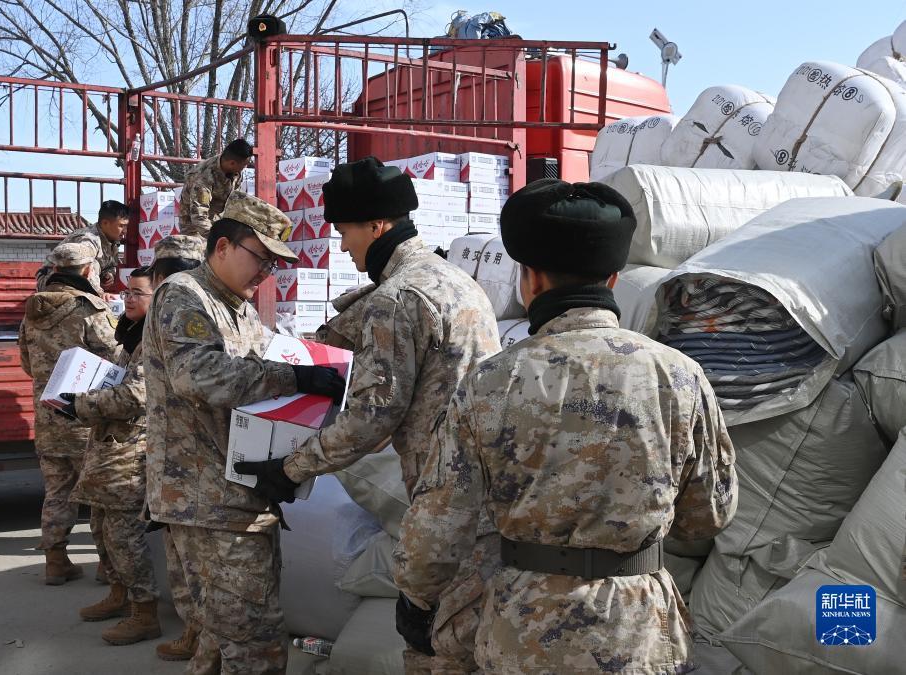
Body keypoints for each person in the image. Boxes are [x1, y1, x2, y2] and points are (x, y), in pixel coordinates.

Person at [393, 179, 739, 674]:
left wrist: (417, 597)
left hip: (524, 632)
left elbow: (438, 527)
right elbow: (707, 516)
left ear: (531, 280)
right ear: (613, 279)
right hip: (636, 632)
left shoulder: (491, 382)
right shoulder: (679, 376)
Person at [233, 156, 501, 674]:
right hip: (484, 491)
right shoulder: (454, 280)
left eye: (344, 232)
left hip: (442, 500)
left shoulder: (397, 298)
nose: (342, 246)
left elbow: (371, 419)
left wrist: (290, 468)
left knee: (435, 646)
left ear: (377, 225)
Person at [142, 192, 345, 674]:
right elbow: (199, 375)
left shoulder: (237, 306)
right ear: (223, 246)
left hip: (234, 491)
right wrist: (292, 377)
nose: (266, 273)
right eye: (261, 258)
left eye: (273, 265)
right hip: (207, 497)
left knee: (222, 635)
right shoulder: (185, 296)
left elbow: (261, 366)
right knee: (253, 638)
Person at [58, 265, 161, 645]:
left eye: (138, 293)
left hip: (133, 453)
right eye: (126, 292)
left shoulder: (155, 340)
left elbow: (137, 395)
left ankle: (145, 612)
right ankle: (119, 594)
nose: (128, 298)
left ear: (158, 298)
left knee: (124, 536)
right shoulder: (129, 337)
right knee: (100, 528)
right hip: (108, 449)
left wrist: (82, 405)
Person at [18, 241, 120, 586]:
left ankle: (56, 562)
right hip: (85, 418)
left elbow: (27, 365)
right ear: (89, 271)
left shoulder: (32, 310)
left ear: (55, 270)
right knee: (100, 494)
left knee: (57, 491)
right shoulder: (90, 310)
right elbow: (117, 357)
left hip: (47, 418)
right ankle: (107, 565)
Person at [139, 234, 208, 663]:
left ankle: (199, 639)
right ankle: (199, 638)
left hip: (176, 460)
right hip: (192, 458)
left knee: (188, 559)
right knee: (192, 559)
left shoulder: (171, 303)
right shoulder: (194, 303)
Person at [37, 200, 129, 294]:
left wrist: (109, 275)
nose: (125, 231)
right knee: (92, 263)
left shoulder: (112, 241)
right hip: (52, 281)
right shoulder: (89, 240)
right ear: (105, 223)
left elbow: (111, 264)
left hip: (71, 284)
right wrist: (99, 295)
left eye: (126, 226)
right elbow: (84, 267)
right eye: (121, 226)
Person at [179, 139, 253, 239]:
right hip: (195, 227)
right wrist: (217, 239)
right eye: (244, 165)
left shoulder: (235, 171)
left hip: (217, 220)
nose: (245, 168)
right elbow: (199, 216)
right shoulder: (203, 177)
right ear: (232, 163)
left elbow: (236, 204)